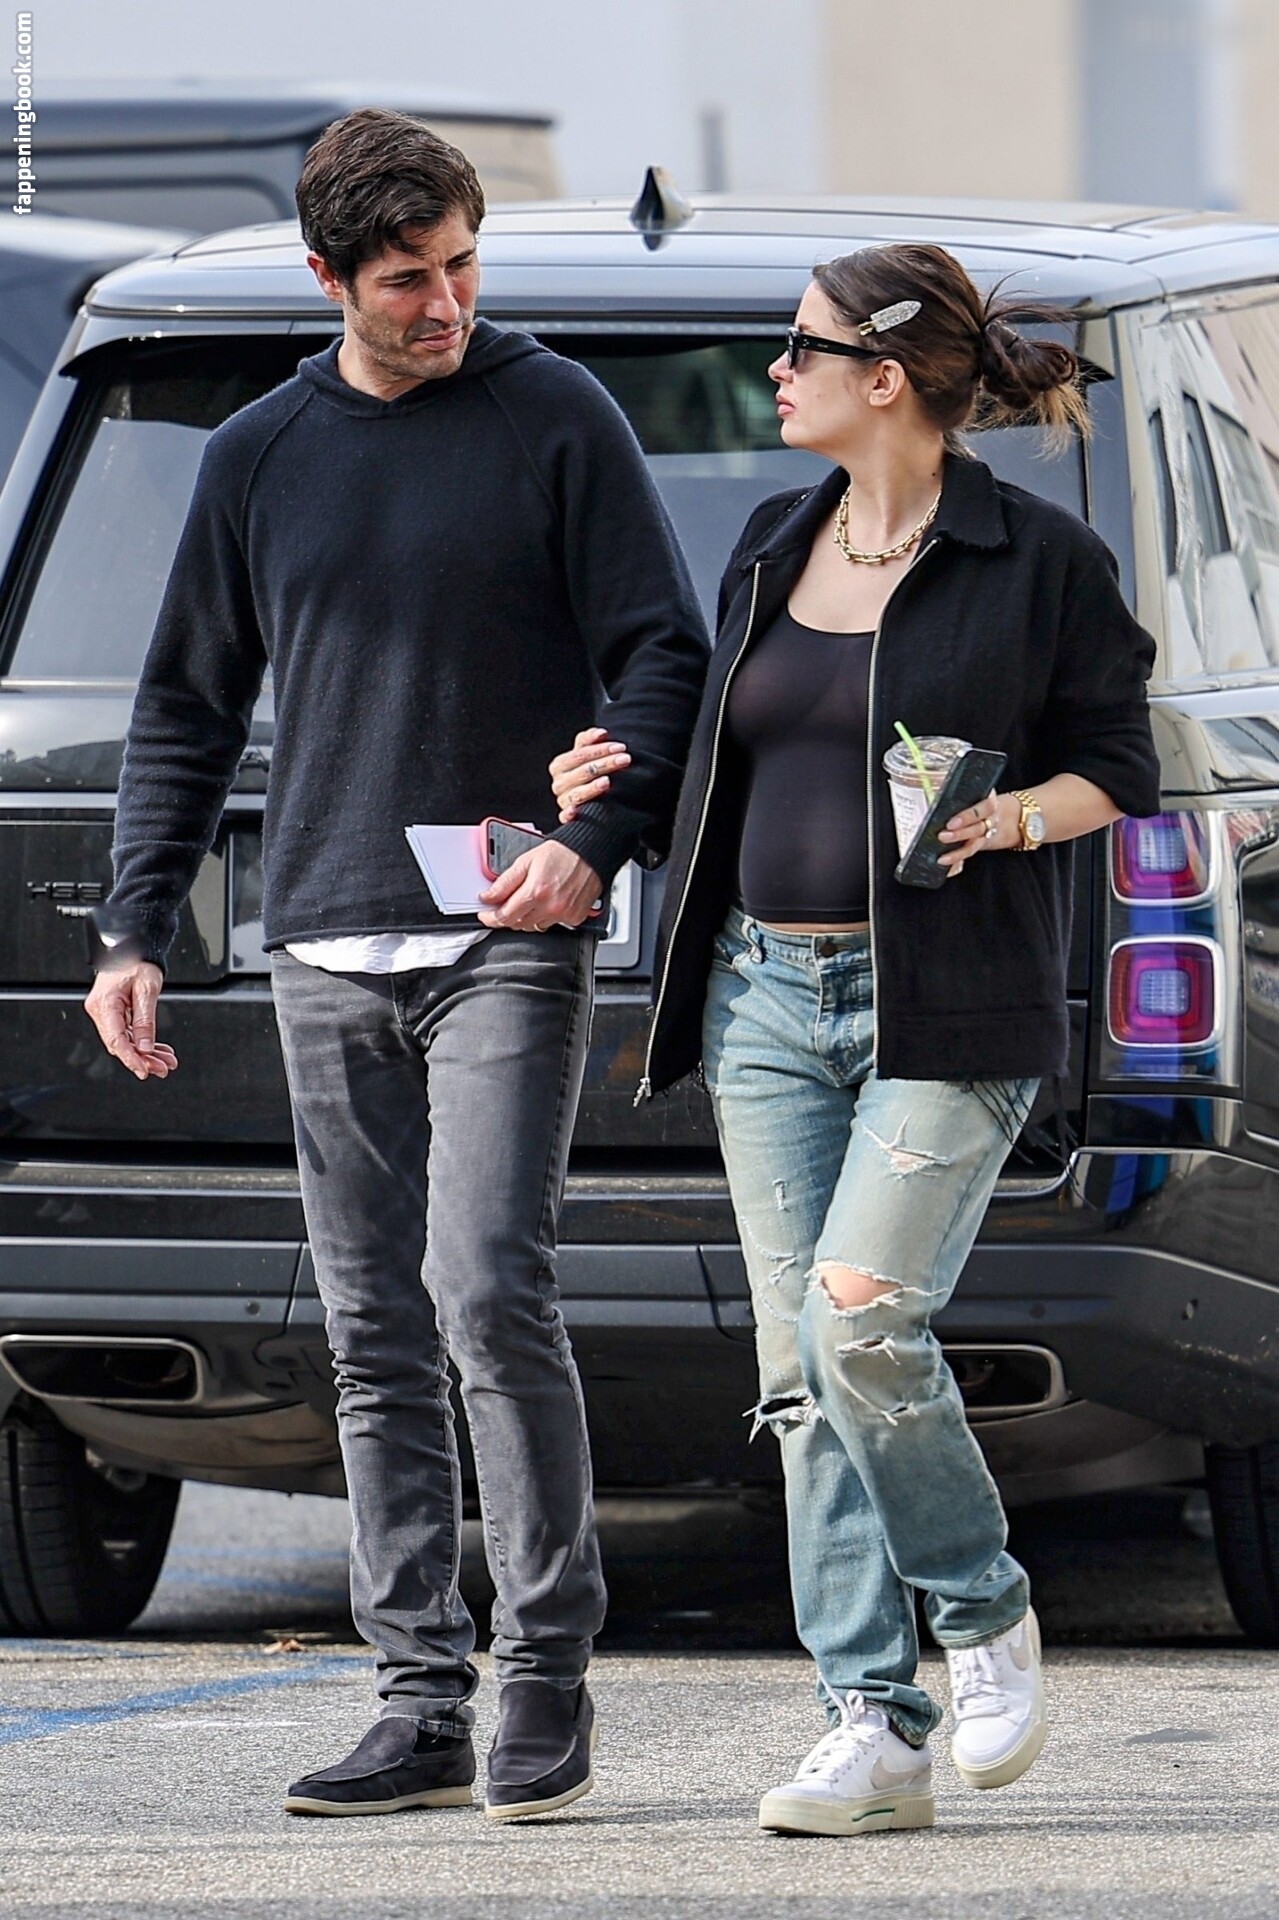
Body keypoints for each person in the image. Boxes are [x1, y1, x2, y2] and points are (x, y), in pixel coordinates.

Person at [83, 108, 708, 1821]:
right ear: (329, 278)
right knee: (369, 1330)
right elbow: (185, 708)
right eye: (407, 281)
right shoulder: (259, 454)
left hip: (508, 933)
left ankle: (546, 1673)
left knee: (488, 1292)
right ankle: (419, 1699)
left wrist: (598, 839)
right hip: (326, 936)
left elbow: (664, 654)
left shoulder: (553, 414)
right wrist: (134, 926)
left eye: (461, 267)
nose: (446, 305)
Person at [550, 242, 1160, 1837]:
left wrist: (1012, 817)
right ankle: (873, 1729)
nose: (775, 370)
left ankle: (983, 1611)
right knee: (800, 1382)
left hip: (943, 1002)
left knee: (860, 1326)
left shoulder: (1037, 560)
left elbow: (1119, 762)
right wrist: (610, 786)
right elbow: (725, 758)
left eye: (800, 346)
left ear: (883, 377)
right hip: (763, 996)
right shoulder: (774, 542)